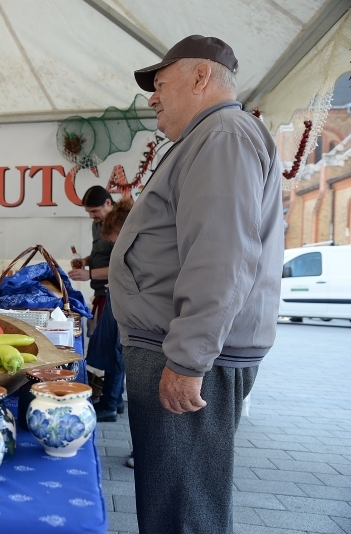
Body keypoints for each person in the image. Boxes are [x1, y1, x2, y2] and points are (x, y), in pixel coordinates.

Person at [109, 35, 284, 533]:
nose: (153, 98)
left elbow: (221, 255)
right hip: (179, 346)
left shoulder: (223, 134)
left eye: (161, 84)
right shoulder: (213, 135)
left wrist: (187, 360)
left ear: (200, 77)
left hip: (185, 353)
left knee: (183, 511)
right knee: (174, 502)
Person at [85, 197, 133, 423]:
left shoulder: (136, 247)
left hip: (125, 304)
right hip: (117, 295)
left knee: (115, 350)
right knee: (116, 350)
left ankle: (109, 404)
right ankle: (114, 400)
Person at [68, 186, 113, 325]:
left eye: (94, 211)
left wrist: (90, 274)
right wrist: (86, 261)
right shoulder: (97, 223)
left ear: (108, 203)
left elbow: (124, 266)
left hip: (113, 295)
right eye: (88, 212)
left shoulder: (122, 225)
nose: (91, 216)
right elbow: (101, 252)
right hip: (100, 292)